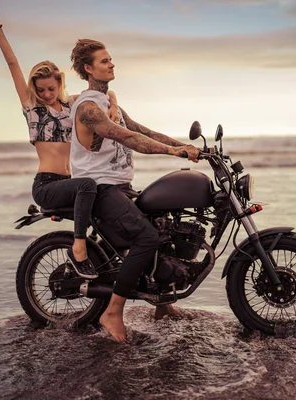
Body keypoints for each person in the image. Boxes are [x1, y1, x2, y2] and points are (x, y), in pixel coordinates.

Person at [0, 1, 121, 279]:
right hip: (47, 185)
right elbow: (12, 63)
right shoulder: (32, 109)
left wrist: (113, 105)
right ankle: (78, 248)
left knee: (113, 202)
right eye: (40, 89)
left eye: (50, 88)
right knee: (89, 184)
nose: (46, 94)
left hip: (71, 183)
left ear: (60, 82)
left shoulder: (72, 104)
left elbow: (104, 93)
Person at [69, 38, 200, 341]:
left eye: (110, 59)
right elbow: (126, 138)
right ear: (88, 68)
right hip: (100, 189)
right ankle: (112, 311)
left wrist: (185, 146)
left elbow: (142, 130)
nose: (112, 63)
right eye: (104, 61)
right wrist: (172, 153)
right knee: (147, 237)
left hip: (121, 186)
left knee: (165, 226)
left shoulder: (110, 104)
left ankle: (162, 305)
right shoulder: (88, 108)